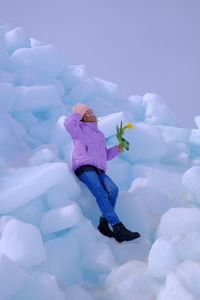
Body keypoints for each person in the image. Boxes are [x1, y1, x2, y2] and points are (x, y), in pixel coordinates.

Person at [63, 103, 140, 243]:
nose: (90, 114)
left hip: (98, 168)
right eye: (86, 112)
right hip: (84, 166)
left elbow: (105, 155)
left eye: (91, 111)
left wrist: (119, 147)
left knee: (113, 190)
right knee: (100, 193)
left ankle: (104, 224)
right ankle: (118, 227)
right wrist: (78, 113)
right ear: (81, 116)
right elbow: (68, 123)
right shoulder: (78, 129)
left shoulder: (99, 134)